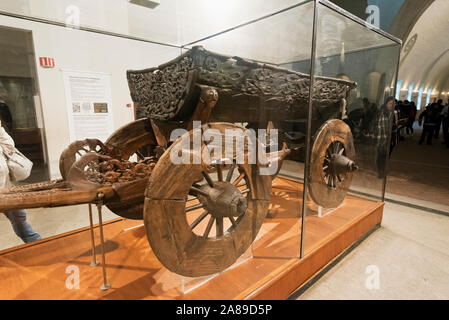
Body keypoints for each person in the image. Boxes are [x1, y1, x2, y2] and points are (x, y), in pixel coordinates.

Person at [0, 116, 41, 243]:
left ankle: (35, 242)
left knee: (19, 217)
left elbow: (9, 146)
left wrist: (0, 129)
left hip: (6, 188)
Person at [374, 96, 395, 178]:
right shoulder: (382, 113)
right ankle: (380, 171)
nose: (391, 105)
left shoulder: (393, 114)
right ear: (386, 104)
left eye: (393, 104)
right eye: (389, 103)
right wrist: (380, 141)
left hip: (389, 139)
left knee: (385, 156)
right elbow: (380, 128)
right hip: (381, 138)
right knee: (380, 157)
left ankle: (382, 169)